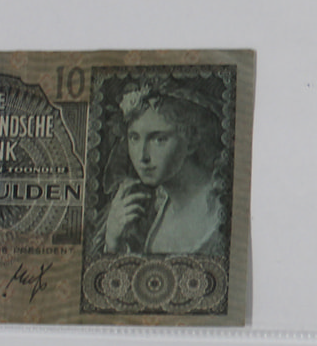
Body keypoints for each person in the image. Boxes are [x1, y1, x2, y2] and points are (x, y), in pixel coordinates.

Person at [96, 81, 226, 257]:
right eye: (134, 138)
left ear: (192, 140)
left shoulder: (219, 205)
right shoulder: (153, 208)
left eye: (159, 139)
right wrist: (112, 242)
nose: (143, 156)